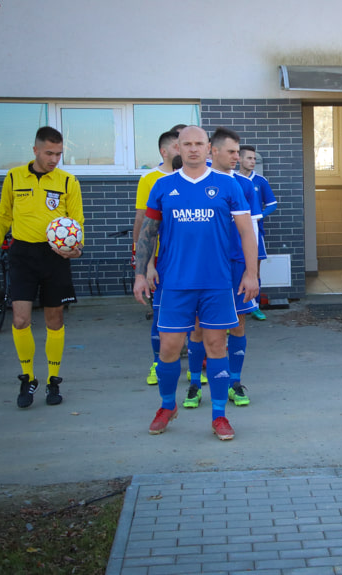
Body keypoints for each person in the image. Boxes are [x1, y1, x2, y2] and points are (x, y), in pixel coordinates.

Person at [133, 126, 259, 440]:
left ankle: (219, 416)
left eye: (198, 144)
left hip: (216, 282)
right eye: (186, 144)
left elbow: (246, 232)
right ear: (178, 148)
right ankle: (166, 406)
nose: (192, 149)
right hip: (175, 283)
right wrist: (140, 272)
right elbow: (148, 234)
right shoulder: (162, 186)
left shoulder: (228, 186)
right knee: (169, 348)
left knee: (217, 346)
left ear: (208, 149)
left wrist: (251, 273)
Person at [0, 126, 84, 409]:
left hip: (55, 257)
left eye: (59, 154)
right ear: (35, 150)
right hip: (22, 254)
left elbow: (77, 221)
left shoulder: (67, 181)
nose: (54, 159)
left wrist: (76, 248)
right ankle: (27, 377)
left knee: (55, 320)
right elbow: (2, 216)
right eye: (49, 153)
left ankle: (53, 379)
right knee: (20, 320)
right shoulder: (14, 177)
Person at [181, 128, 262, 410]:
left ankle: (234, 382)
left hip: (236, 264)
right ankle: (194, 383)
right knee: (199, 326)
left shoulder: (244, 185)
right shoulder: (191, 183)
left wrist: (252, 272)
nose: (236, 158)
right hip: (204, 266)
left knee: (237, 324)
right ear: (212, 151)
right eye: (231, 152)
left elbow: (251, 230)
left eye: (238, 152)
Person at [133, 130, 181, 385]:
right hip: (160, 260)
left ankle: (197, 365)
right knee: (161, 315)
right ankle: (157, 364)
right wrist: (145, 264)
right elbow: (143, 223)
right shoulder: (150, 180)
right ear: (165, 151)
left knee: (194, 321)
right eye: (179, 145)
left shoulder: (197, 177)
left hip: (188, 261)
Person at [238, 145, 277, 321]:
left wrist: (258, 217)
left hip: (255, 233)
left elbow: (272, 204)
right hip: (234, 233)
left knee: (255, 270)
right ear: (239, 159)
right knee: (235, 270)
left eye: (254, 158)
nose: (253, 161)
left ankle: (255, 306)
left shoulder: (260, 181)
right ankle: (236, 308)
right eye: (249, 158)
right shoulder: (231, 179)